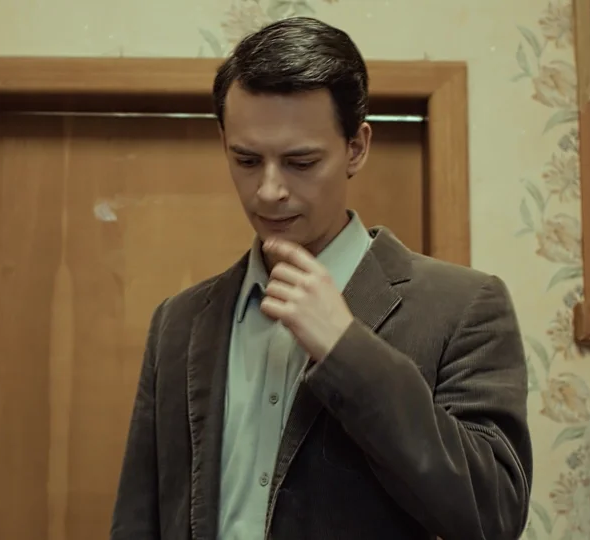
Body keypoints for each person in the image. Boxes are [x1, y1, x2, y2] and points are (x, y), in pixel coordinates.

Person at [110, 16, 533, 540]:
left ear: (357, 147)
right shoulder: (178, 322)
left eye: (300, 162)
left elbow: (493, 515)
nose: (269, 190)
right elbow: (139, 520)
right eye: (246, 160)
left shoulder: (466, 306)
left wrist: (348, 352)